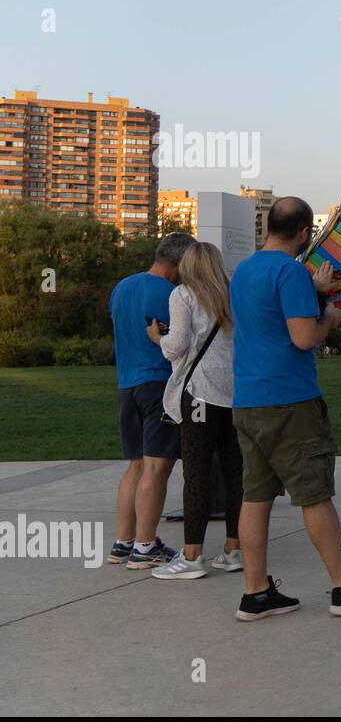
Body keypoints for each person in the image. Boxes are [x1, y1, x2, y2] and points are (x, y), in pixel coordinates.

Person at [230, 196, 341, 621]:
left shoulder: (245, 269)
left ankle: (256, 593)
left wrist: (314, 290)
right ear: (306, 233)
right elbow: (305, 338)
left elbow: (267, 317)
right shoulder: (290, 271)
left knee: (255, 497)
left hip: (247, 401)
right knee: (314, 493)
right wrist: (333, 315)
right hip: (288, 401)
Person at [151, 242, 244, 580]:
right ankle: (234, 550)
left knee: (196, 474)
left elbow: (176, 345)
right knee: (236, 472)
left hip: (200, 395)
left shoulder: (183, 295)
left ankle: (192, 556)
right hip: (234, 394)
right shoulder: (233, 295)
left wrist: (157, 339)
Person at [107, 232, 195, 568]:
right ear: (179, 262)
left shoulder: (122, 287)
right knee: (157, 467)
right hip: (159, 385)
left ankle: (123, 542)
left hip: (126, 385)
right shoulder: (175, 293)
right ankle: (146, 546)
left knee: (136, 466)